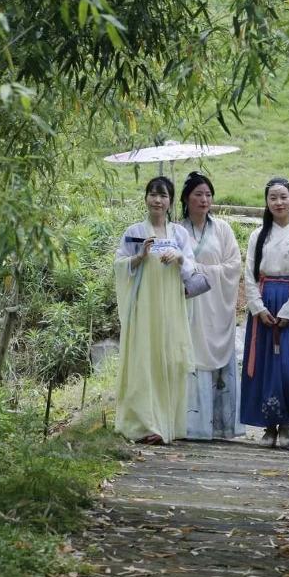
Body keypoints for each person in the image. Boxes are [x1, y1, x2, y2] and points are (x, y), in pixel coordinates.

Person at [114, 176, 195, 445]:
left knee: (169, 359)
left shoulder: (179, 234)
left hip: (170, 306)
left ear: (171, 201)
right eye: (153, 194)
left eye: (163, 195)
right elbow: (119, 264)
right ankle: (145, 423)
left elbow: (192, 266)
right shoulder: (135, 231)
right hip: (144, 306)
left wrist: (178, 257)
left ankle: (167, 422)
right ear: (146, 197)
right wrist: (139, 256)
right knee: (143, 359)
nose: (157, 200)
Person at [240, 177, 289, 448]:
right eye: (273, 197)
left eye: (283, 197)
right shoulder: (257, 235)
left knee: (287, 365)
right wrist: (258, 308)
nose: (279, 202)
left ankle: (286, 425)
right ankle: (268, 426)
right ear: (266, 202)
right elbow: (249, 273)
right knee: (264, 363)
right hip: (264, 301)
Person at [180, 171, 244, 440]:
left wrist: (200, 269)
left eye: (208, 194)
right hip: (190, 305)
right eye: (198, 194)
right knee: (191, 353)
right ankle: (190, 423)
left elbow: (234, 265)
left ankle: (219, 425)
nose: (204, 199)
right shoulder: (177, 230)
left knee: (217, 356)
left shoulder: (222, 230)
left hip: (216, 303)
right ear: (186, 198)